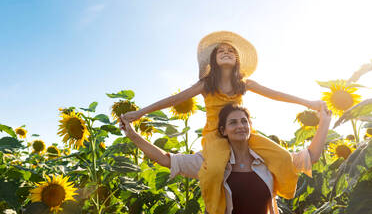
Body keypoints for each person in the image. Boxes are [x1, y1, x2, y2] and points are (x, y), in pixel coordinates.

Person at [122, 31, 325, 213]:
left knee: (281, 156)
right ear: (213, 58)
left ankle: (283, 192)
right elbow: (175, 100)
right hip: (215, 136)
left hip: (242, 133)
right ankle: (216, 209)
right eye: (221, 50)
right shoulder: (206, 84)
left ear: (237, 59)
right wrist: (141, 113)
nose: (226, 52)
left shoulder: (244, 84)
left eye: (231, 50)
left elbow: (277, 95)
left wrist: (308, 102)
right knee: (216, 170)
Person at [120, 103, 332, 214]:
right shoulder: (210, 162)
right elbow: (167, 159)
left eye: (244, 121)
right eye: (233, 123)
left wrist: (325, 122)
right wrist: (132, 135)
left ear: (250, 126)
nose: (240, 126)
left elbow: (310, 156)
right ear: (223, 130)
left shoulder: (269, 159)